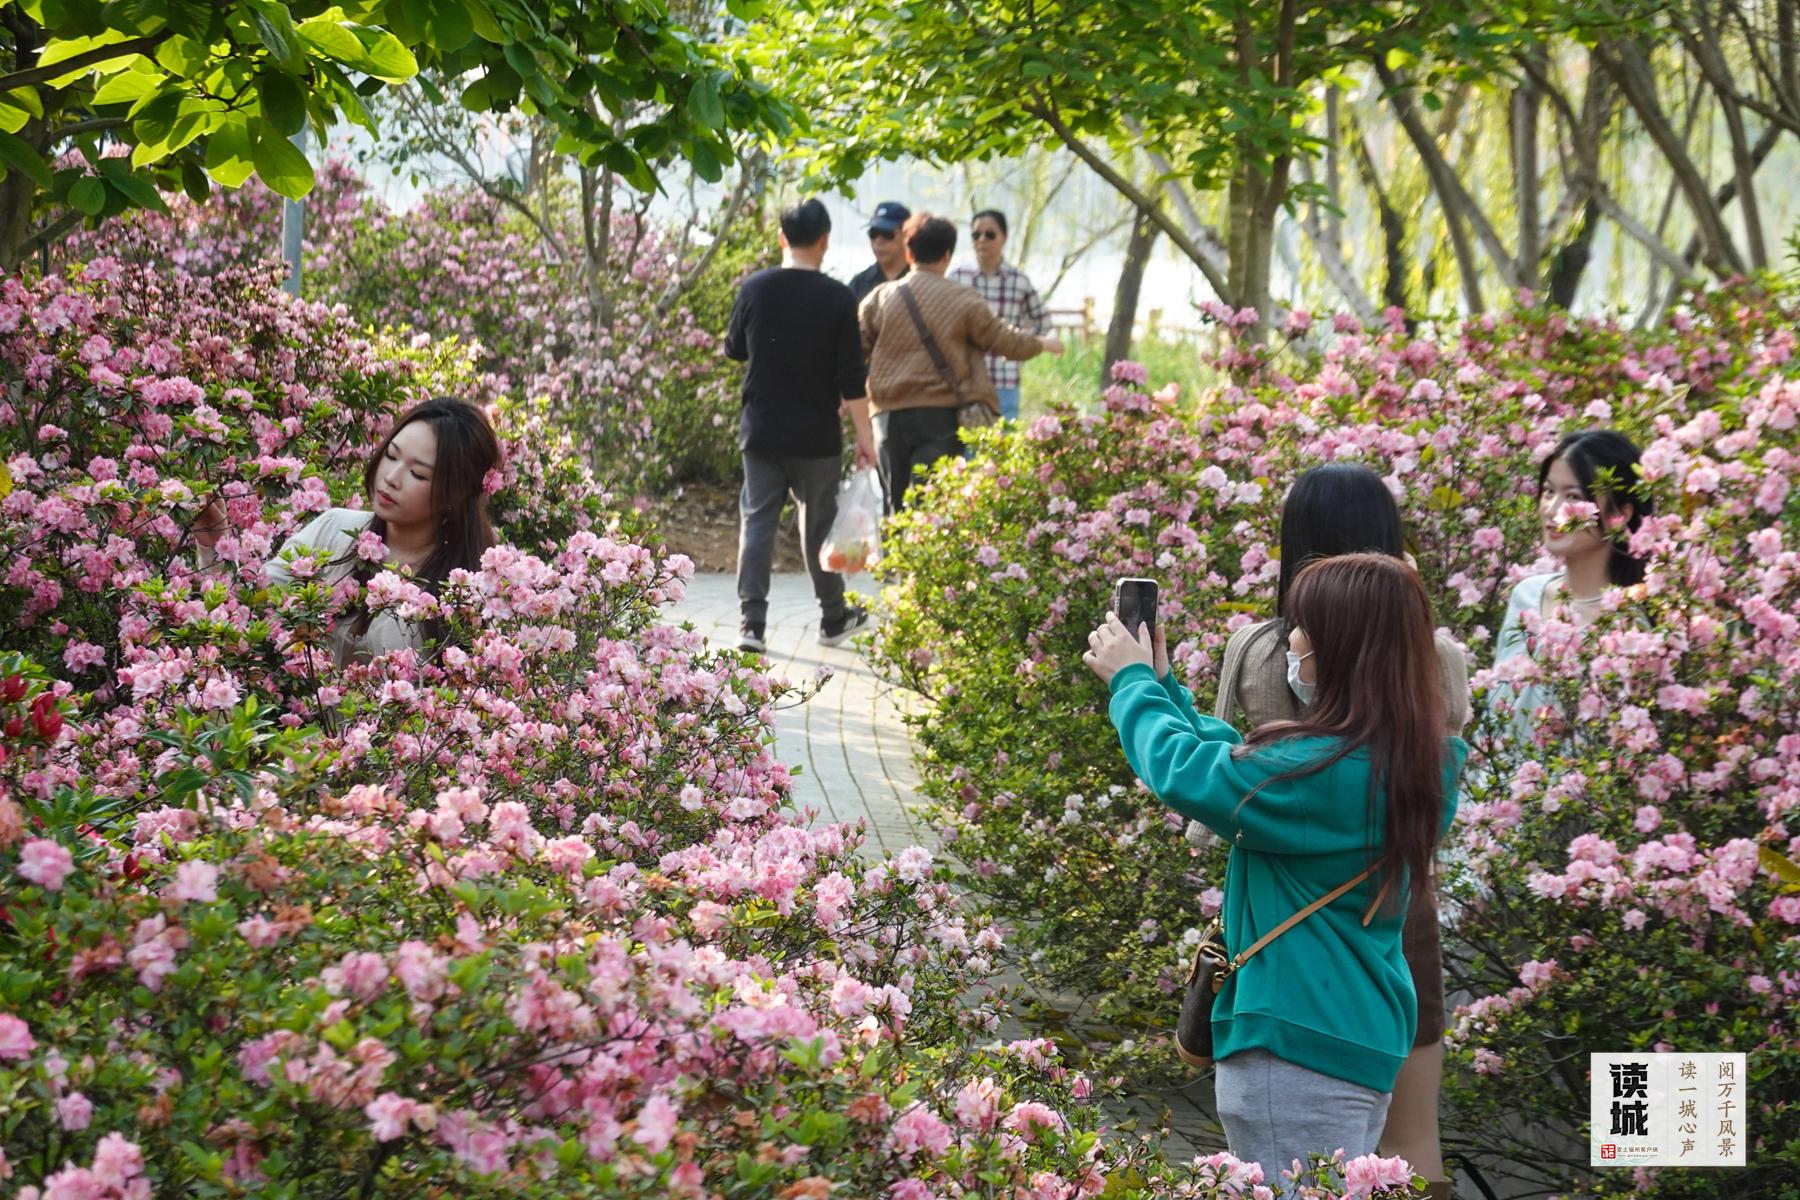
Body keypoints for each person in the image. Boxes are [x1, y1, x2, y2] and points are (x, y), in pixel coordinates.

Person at [1085, 554, 1468, 1196]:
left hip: (1296, 1044)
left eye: (1301, 628)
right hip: (1356, 1036)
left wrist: (1131, 687)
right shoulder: (1406, 761)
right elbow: (1234, 762)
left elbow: (1190, 773)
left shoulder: (1324, 775)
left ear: (1338, 650)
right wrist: (1164, 686)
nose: (1289, 641)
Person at [1212, 463, 1468, 1200]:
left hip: (1291, 902)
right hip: (1395, 896)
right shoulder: (1436, 655)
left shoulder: (1258, 648)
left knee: (1298, 1154)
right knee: (1410, 1133)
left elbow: (1221, 779)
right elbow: (1437, 770)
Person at [194, 397, 500, 667]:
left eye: (418, 474)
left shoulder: (465, 591)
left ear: (456, 493)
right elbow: (251, 604)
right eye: (391, 456)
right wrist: (214, 549)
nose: (391, 478)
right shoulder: (335, 530)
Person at [723, 198, 876, 654]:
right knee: (818, 527)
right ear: (825, 240)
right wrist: (866, 439)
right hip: (816, 438)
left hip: (762, 430)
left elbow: (734, 349)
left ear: (781, 238)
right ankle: (832, 618)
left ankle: (752, 624)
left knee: (757, 523)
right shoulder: (838, 297)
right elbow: (852, 381)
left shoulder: (755, 288)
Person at [858, 213, 1063, 512]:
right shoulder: (964, 299)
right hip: (939, 417)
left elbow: (853, 351)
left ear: (908, 252)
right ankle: (925, 560)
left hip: (887, 417)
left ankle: (892, 559)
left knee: (894, 505)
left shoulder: (880, 298)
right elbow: (1004, 340)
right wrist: (1042, 343)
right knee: (932, 507)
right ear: (946, 255)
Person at [1493, 429, 1650, 736]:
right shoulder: (1527, 597)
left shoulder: (1631, 624)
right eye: (1549, 491)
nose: (1551, 510)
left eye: (1573, 497)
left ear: (1619, 514)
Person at [949, 209, 1050, 422]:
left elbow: (1044, 323)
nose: (982, 240)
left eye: (990, 234)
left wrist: (1025, 346)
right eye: (976, 235)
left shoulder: (1019, 281)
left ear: (1004, 237)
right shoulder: (957, 277)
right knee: (969, 450)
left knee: (1006, 445)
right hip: (967, 380)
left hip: (1006, 379)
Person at [848, 201, 912, 305]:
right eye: (873, 233)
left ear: (906, 235)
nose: (878, 241)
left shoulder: (921, 280)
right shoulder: (859, 284)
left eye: (887, 234)